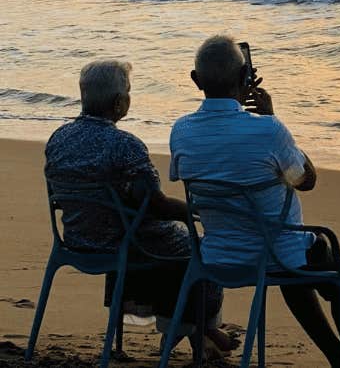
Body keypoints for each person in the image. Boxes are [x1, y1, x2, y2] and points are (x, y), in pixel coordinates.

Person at [169, 35, 340, 368]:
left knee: (300, 265)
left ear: (195, 80)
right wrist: (274, 119)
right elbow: (307, 181)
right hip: (276, 251)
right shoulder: (269, 130)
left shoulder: (181, 131)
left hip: (218, 254)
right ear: (245, 78)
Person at [44, 60, 238, 357]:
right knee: (194, 246)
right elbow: (156, 204)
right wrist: (194, 211)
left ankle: (199, 333)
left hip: (77, 238)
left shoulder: (58, 138)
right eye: (129, 92)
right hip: (120, 242)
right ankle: (203, 330)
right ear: (120, 102)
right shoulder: (125, 145)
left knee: (156, 236)